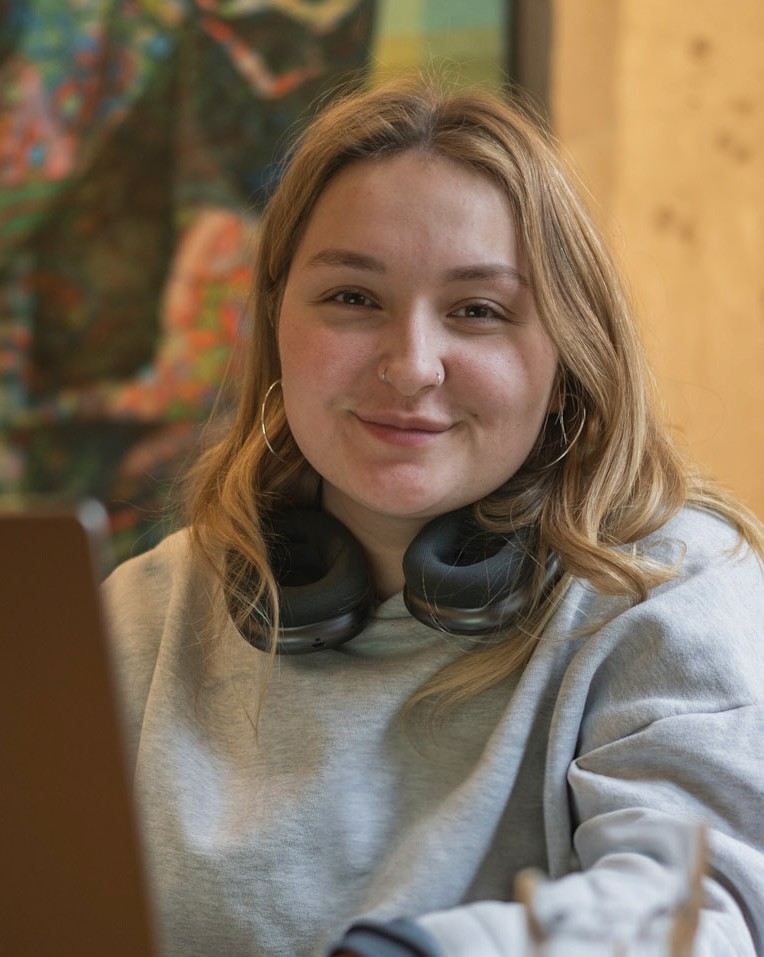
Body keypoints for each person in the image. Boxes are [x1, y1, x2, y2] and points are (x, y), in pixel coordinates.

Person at [103, 75, 764, 957]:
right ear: (276, 321)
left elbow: (696, 916)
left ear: (565, 358)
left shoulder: (666, 591)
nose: (412, 365)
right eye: (352, 298)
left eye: (477, 311)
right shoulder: (143, 610)